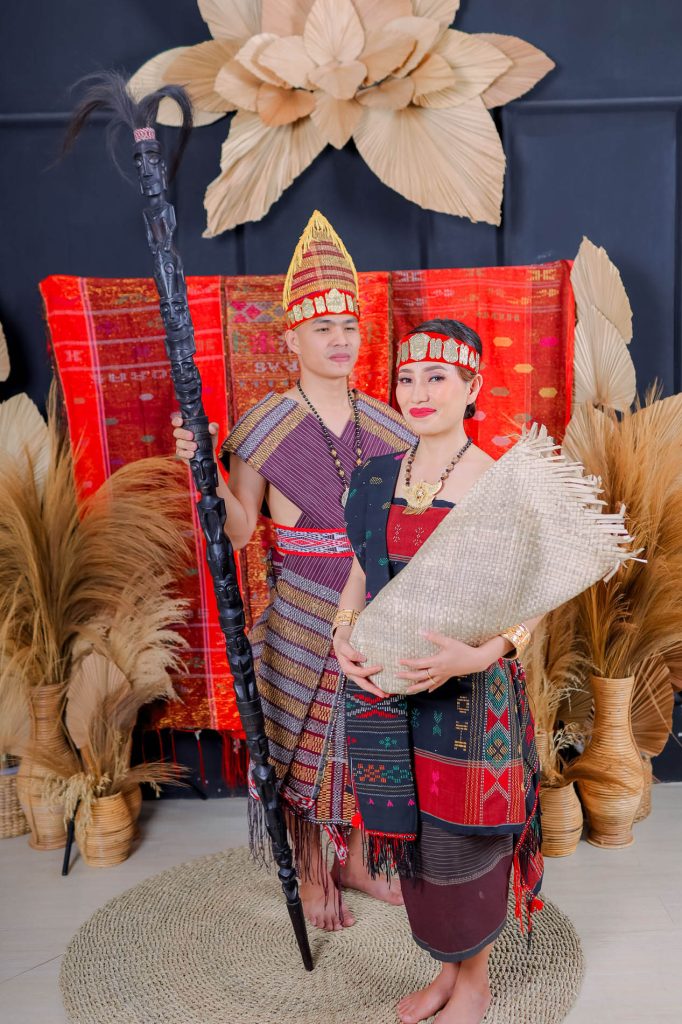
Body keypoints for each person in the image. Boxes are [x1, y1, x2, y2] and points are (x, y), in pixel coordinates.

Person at [173, 211, 414, 930]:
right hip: (303, 608)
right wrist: (202, 467)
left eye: (350, 326)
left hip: (374, 605)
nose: (341, 339)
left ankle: (359, 861)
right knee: (304, 751)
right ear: (291, 340)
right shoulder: (264, 426)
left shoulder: (391, 425)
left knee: (369, 737)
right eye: (323, 327)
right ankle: (313, 872)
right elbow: (241, 529)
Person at [333, 319, 544, 1024]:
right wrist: (342, 633)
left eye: (437, 377)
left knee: (463, 844)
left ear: (472, 386)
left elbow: (534, 599)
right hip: (389, 694)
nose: (418, 392)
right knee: (416, 841)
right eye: (406, 377)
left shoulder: (497, 483)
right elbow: (362, 568)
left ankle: (473, 983)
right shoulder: (375, 477)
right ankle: (445, 972)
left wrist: (480, 655)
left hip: (471, 699)